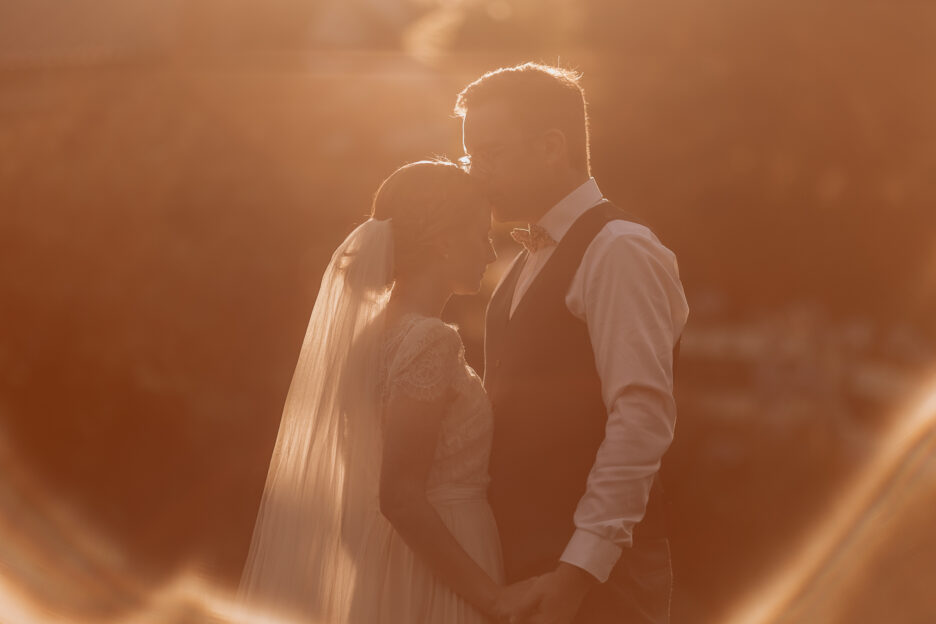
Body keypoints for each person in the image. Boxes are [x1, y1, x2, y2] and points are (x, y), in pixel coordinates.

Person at [237, 160, 532, 623]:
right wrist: (492, 598)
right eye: (482, 235)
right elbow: (399, 495)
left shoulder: (370, 339)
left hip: (395, 564)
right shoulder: (430, 340)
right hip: (441, 572)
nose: (491, 254)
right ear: (443, 241)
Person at [456, 63, 690, 623]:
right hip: (523, 566)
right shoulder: (524, 260)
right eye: (470, 157)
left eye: (490, 153)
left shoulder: (619, 249)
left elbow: (641, 418)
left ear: (551, 146)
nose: (476, 175)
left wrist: (579, 571)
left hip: (595, 584)